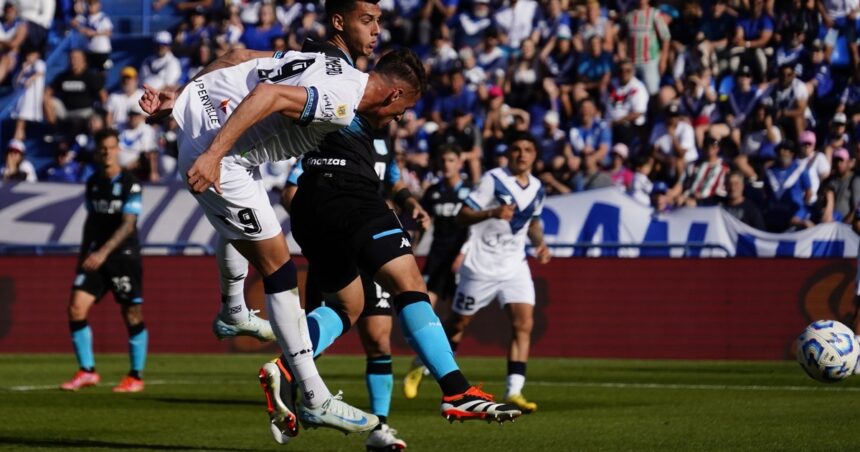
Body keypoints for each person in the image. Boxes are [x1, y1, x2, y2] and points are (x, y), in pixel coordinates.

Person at [139, 43, 429, 438]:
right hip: (223, 160)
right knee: (279, 269)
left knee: (245, 234)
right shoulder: (343, 100)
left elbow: (238, 57)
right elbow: (268, 95)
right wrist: (214, 154)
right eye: (405, 108)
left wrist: (183, 94)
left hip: (202, 120)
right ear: (396, 94)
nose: (401, 117)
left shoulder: (323, 62)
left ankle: (234, 311)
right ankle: (313, 396)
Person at [430, 131, 550, 414]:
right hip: (482, 265)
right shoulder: (492, 180)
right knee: (458, 324)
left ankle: (515, 390)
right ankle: (424, 364)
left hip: (515, 265)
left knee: (524, 324)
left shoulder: (538, 187)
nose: (522, 154)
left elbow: (532, 221)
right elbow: (462, 215)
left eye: (528, 149)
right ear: (508, 153)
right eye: (517, 149)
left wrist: (541, 244)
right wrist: (492, 213)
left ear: (534, 156)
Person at [59, 128, 147, 393]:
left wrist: (102, 252)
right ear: (97, 152)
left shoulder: (131, 183)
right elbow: (91, 221)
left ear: (118, 149)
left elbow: (128, 224)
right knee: (76, 307)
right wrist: (85, 253)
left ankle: (135, 376)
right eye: (102, 148)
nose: (106, 152)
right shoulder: (93, 182)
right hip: (96, 256)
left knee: (131, 313)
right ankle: (87, 371)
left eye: (111, 147)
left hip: (123, 258)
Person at [403, 144, 471, 398]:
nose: (447, 164)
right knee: (424, 310)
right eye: (443, 159)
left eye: (451, 159)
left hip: (461, 260)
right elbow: (422, 224)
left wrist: (464, 252)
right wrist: (413, 245)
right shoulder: (433, 192)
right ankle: (421, 363)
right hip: (437, 259)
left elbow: (475, 227)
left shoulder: (469, 192)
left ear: (459, 163)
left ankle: (428, 365)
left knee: (458, 322)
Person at [10, 48, 44, 141]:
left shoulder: (40, 63)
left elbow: (40, 72)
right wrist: (23, 70)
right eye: (28, 56)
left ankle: (17, 138)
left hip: (32, 98)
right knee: (20, 120)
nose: (29, 58)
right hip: (23, 98)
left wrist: (30, 79)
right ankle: (19, 138)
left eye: (31, 55)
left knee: (21, 119)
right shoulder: (26, 67)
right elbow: (17, 81)